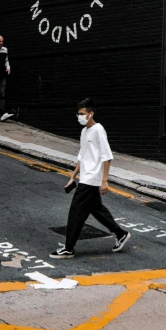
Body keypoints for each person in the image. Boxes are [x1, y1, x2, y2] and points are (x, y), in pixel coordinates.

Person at [50, 98, 130, 258]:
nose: (79, 116)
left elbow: (107, 157)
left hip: (92, 178)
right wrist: (73, 176)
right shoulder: (84, 131)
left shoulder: (99, 130)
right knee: (97, 210)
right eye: (78, 113)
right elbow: (82, 157)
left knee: (75, 212)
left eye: (82, 114)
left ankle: (68, 248)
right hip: (85, 177)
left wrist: (104, 180)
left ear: (90, 114)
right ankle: (120, 234)